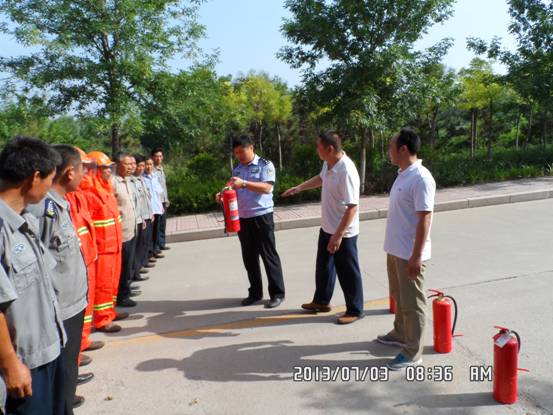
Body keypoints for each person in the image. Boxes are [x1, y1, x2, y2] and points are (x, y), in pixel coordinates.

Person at [0, 137, 65, 415]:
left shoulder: (25, 219)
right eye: (50, 179)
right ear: (34, 178)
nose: (51, 186)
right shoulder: (2, 230)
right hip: (24, 365)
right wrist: (10, 364)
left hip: (49, 350)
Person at [27, 145, 91, 412]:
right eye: (82, 169)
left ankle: (66, 400)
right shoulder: (44, 210)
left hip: (73, 304)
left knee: (68, 370)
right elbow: (36, 263)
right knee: (62, 375)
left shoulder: (59, 205)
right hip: (60, 309)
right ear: (69, 173)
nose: (84, 175)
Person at [282, 131, 364, 325]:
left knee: (348, 272)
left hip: (344, 233)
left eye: (318, 147)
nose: (316, 150)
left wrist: (338, 235)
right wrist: (299, 188)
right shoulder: (328, 163)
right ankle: (321, 301)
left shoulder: (346, 171)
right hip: (327, 227)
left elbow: (352, 207)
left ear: (330, 149)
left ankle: (355, 309)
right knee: (324, 268)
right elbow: (321, 179)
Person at [377, 128, 436, 370]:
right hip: (396, 250)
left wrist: (416, 256)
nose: (388, 151)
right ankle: (401, 333)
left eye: (391, 147)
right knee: (399, 297)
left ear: (403, 149)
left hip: (410, 253)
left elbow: (425, 219)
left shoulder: (421, 178)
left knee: (413, 303)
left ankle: (413, 352)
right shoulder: (403, 174)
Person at [217, 135, 285, 308]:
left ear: (251, 147)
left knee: (268, 255)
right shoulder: (237, 169)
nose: (239, 155)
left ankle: (277, 293)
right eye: (236, 153)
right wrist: (222, 194)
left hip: (262, 216)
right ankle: (255, 293)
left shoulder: (265, 165)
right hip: (243, 218)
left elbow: (267, 187)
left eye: (242, 151)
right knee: (249, 258)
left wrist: (244, 183)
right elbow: (231, 186)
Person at [83, 151, 127, 332]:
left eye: (110, 167)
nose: (109, 171)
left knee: (111, 282)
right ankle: (101, 319)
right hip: (102, 248)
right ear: (95, 169)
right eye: (105, 168)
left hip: (113, 245)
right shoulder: (89, 192)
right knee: (102, 285)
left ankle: (109, 312)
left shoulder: (106, 188)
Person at [111, 153, 139, 307]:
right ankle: (121, 296)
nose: (130, 167)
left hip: (130, 229)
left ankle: (125, 289)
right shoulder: (112, 183)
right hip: (121, 232)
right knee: (122, 266)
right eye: (127, 164)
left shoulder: (127, 181)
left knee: (128, 264)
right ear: (117, 165)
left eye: (131, 164)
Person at [133, 155, 156, 273]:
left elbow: (147, 198)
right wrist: (141, 218)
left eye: (143, 166)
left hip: (147, 214)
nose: (142, 168)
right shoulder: (132, 181)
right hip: (140, 217)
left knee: (146, 240)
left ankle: (144, 260)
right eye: (140, 166)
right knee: (140, 243)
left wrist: (151, 212)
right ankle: (138, 266)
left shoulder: (141, 179)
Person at [143, 156, 165, 262]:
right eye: (147, 164)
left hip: (157, 208)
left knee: (156, 230)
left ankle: (155, 249)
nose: (149, 166)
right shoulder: (142, 179)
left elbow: (158, 192)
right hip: (149, 210)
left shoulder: (154, 176)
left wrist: (161, 205)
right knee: (149, 233)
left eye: (150, 164)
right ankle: (149, 253)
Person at [151, 148, 170, 253]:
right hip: (156, 202)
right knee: (157, 225)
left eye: (160, 156)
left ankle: (162, 244)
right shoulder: (151, 170)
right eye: (156, 156)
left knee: (162, 223)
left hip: (163, 201)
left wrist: (166, 199)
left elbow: (163, 187)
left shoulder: (161, 169)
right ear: (152, 157)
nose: (158, 158)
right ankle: (156, 246)